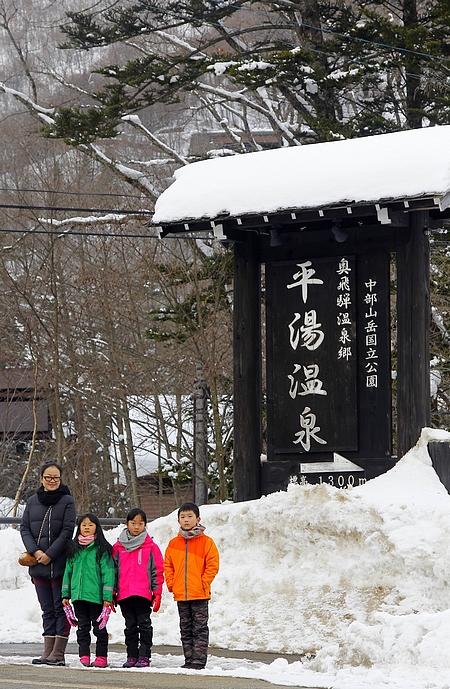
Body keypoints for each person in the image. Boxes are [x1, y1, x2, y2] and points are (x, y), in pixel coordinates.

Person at [20, 461, 76, 666]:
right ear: (41, 478)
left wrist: (50, 554)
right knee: (47, 609)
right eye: (48, 477)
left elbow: (68, 530)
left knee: (59, 607)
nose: (52, 481)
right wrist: (36, 551)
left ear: (60, 480)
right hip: (38, 564)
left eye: (56, 477)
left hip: (59, 563)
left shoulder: (67, 500)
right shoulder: (32, 501)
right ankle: (47, 651)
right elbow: (24, 528)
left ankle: (58, 653)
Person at [164, 502, 219, 670]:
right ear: (178, 520)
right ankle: (189, 659)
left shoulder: (206, 542)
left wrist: (204, 582)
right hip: (181, 594)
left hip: (200, 594)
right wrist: (172, 583)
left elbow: (213, 565)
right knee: (185, 628)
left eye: (189, 516)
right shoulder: (174, 543)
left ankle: (199, 660)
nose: (186, 520)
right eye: (182, 517)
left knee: (200, 628)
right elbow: (168, 565)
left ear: (198, 519)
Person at [112, 507, 164, 668]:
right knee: (130, 626)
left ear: (145, 525)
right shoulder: (118, 547)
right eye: (133, 523)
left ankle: (144, 655)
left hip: (143, 594)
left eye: (140, 523)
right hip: (125, 594)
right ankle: (131, 655)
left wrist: (157, 593)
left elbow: (157, 570)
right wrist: (112, 591)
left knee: (144, 624)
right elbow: (111, 571)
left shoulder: (151, 547)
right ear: (127, 523)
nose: (136, 526)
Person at [61, 513, 115, 668]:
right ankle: (84, 655)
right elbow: (68, 573)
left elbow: (108, 573)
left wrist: (107, 596)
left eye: (90, 525)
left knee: (99, 628)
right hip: (78, 597)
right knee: (82, 628)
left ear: (96, 527)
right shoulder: (74, 549)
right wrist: (65, 594)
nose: (87, 527)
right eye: (83, 525)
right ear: (79, 528)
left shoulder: (102, 549)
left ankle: (101, 656)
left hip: (96, 597)